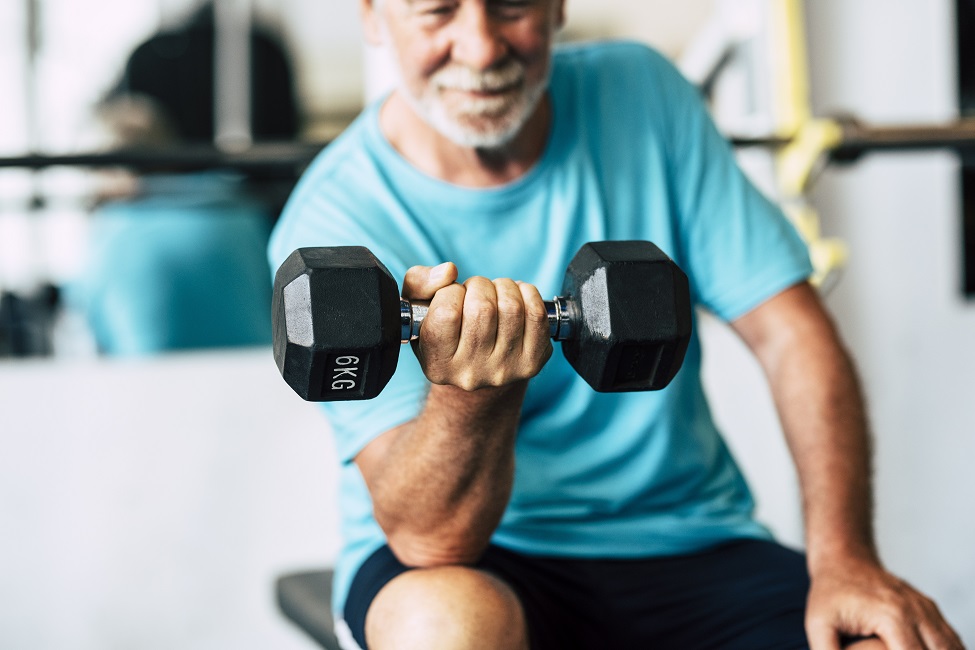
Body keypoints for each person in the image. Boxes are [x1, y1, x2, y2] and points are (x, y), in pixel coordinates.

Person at [267, 1, 964, 649]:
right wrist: (475, 393)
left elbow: (789, 335)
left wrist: (845, 559)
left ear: (558, 6)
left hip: (687, 541)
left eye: (511, 4)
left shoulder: (642, 93)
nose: (480, 48)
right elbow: (429, 540)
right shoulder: (333, 218)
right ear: (373, 15)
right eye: (438, 9)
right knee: (440, 626)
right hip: (479, 559)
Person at [71, 2, 300, 356]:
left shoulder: (111, 233)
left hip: (152, 379)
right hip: (263, 366)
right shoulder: (240, 206)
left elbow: (95, 332)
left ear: (117, 168)